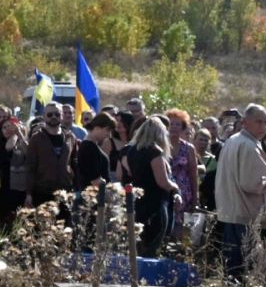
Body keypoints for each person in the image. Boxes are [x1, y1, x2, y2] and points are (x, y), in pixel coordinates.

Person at [216, 104, 266, 278]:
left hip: (232, 212)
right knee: (246, 270)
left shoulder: (233, 140)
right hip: (246, 217)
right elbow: (252, 184)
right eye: (258, 122)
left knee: (233, 271)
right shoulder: (248, 145)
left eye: (265, 122)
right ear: (245, 122)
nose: (263, 127)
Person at [120, 115, 178, 254]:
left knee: (138, 246)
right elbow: (162, 182)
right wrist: (175, 187)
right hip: (155, 205)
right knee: (152, 247)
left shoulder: (132, 151)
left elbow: (127, 173)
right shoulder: (154, 151)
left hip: (138, 203)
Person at [165, 109, 200, 230]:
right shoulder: (160, 146)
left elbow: (193, 173)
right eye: (171, 124)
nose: (174, 127)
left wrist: (195, 197)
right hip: (166, 191)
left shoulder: (189, 148)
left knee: (182, 230)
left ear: (183, 127)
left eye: (177, 124)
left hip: (184, 193)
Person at [0, 117, 29, 231]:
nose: (7, 129)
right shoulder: (1, 144)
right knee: (5, 222)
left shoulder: (22, 141)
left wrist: (19, 133)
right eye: (4, 127)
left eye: (10, 126)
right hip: (5, 188)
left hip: (20, 188)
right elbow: (9, 147)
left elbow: (28, 153)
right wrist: (15, 134)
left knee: (20, 222)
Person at [75, 111, 114, 192]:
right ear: (97, 128)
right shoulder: (88, 147)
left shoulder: (92, 146)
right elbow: (94, 179)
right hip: (93, 196)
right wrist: (112, 192)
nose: (109, 135)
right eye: (107, 130)